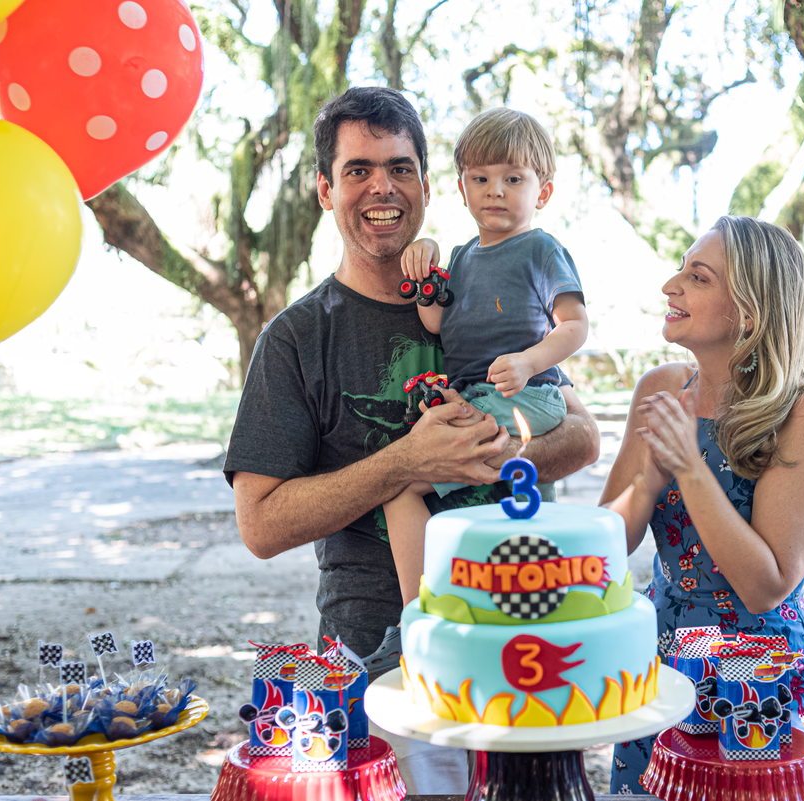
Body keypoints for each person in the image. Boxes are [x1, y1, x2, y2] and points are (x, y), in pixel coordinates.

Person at [223, 87, 600, 788]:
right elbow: (261, 523)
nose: (381, 187)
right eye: (357, 170)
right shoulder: (297, 338)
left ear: (429, 187)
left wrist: (488, 454)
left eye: (399, 168)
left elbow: (580, 437)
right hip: (373, 660)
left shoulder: (490, 290)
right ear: (323, 190)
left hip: (520, 633)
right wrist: (407, 463)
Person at [602, 216, 804, 791]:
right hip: (661, 664)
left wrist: (687, 466)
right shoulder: (659, 389)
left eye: (698, 277)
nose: (671, 286)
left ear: (749, 312)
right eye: (682, 268)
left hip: (762, 681)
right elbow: (607, 545)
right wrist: (651, 479)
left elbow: (767, 585)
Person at [381, 107, 588, 615]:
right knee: (427, 488)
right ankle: (430, 607)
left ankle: (419, 615)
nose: (495, 190)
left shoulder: (541, 250)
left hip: (527, 394)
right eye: (482, 178)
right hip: (479, 394)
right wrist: (425, 262)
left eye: (512, 178)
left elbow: (576, 326)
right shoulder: (461, 257)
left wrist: (527, 361)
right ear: (462, 188)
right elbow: (434, 322)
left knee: (404, 482)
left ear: (542, 192)